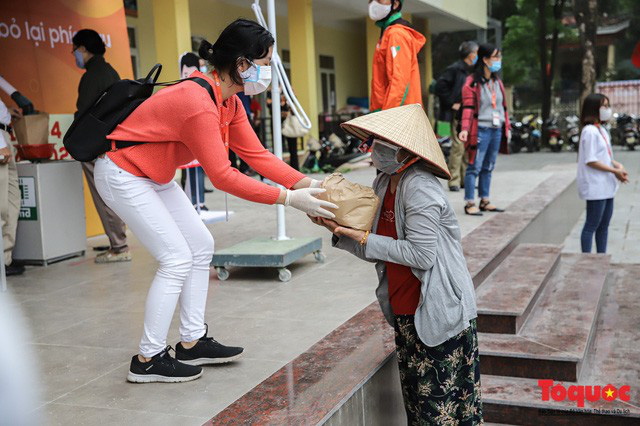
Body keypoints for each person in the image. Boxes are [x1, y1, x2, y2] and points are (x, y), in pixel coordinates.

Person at [94, 19, 337, 384]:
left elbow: (257, 156)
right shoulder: (199, 103)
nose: (267, 71)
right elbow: (223, 175)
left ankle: (191, 342)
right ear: (242, 64)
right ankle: (147, 358)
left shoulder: (229, 102)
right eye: (265, 62)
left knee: (201, 244)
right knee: (175, 257)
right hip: (122, 172)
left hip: (152, 175)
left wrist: (311, 183)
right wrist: (289, 198)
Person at [310, 104, 482, 424]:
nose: (372, 151)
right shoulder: (384, 183)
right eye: (370, 143)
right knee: (418, 411)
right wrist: (337, 231)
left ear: (402, 150)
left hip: (439, 311)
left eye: (378, 144)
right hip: (406, 314)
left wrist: (361, 238)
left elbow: (421, 255)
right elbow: (379, 248)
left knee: (443, 414)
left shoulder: (420, 187)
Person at [72, 29, 131, 263]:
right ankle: (118, 241)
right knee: (112, 194)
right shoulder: (109, 71)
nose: (74, 54)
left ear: (83, 49)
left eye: (75, 49)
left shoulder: (91, 76)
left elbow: (85, 113)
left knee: (102, 195)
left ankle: (119, 246)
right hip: (112, 142)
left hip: (94, 146)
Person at [459, 43, 510, 216]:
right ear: (485, 59)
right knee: (474, 166)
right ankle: (469, 202)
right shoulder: (472, 82)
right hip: (480, 129)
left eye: (499, 57)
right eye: (495, 57)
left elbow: (503, 107)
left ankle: (484, 200)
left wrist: (506, 126)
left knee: (489, 166)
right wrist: (465, 128)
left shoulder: (497, 81)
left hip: (496, 129)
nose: (498, 60)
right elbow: (467, 108)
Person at [577, 94, 628, 253]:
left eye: (607, 105)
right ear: (593, 109)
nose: (607, 109)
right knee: (591, 225)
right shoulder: (590, 131)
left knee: (604, 226)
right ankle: (586, 258)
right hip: (596, 186)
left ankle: (601, 257)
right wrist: (615, 172)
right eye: (603, 106)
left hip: (607, 185)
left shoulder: (602, 130)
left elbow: (605, 156)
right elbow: (591, 160)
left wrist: (617, 165)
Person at [0, 76, 33, 276]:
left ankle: (5, 258)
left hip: (5, 137)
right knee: (2, 205)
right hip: (1, 144)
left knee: (12, 200)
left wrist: (6, 113)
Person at [435, 41, 478, 192]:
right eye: (477, 53)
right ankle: (454, 180)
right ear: (471, 55)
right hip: (455, 114)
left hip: (468, 113)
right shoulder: (454, 69)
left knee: (467, 146)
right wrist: (452, 102)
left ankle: (465, 179)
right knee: (458, 146)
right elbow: (439, 86)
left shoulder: (471, 71)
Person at [368, 0, 425, 112]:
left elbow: (400, 82)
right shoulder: (388, 33)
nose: (373, 3)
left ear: (395, 4)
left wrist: (387, 116)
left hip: (398, 115)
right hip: (390, 112)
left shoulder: (396, 34)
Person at [179, 52, 211, 210]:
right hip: (186, 138)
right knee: (189, 170)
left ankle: (200, 202)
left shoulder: (203, 87)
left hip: (199, 136)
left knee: (198, 169)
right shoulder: (180, 89)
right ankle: (192, 201)